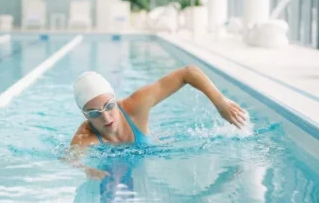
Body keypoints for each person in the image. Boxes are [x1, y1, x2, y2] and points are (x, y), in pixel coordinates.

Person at [66, 65, 248, 179]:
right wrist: (86, 169)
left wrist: (221, 102)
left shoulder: (135, 106)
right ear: (85, 116)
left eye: (109, 105)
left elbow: (188, 73)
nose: (106, 117)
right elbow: (70, 160)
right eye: (95, 113)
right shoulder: (85, 137)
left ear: (115, 98)